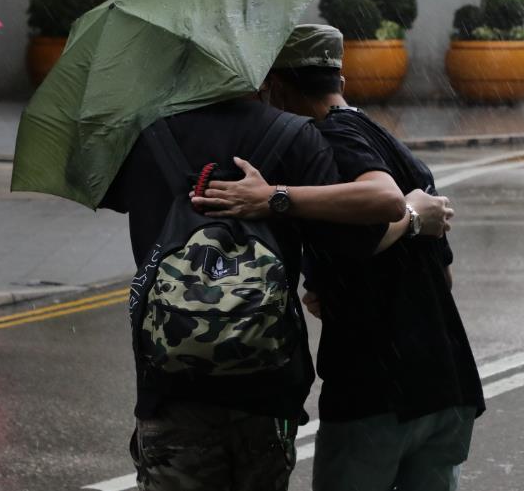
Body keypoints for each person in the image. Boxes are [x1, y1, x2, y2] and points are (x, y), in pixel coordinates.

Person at [99, 68, 449, 491]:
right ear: (261, 73)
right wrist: (411, 216)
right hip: (265, 384)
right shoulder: (294, 135)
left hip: (171, 387)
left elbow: (99, 184)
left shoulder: (145, 137)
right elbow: (360, 238)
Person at [195, 25, 485, 491]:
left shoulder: (326, 139)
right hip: (446, 382)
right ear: (341, 81)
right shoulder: (390, 143)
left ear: (277, 88)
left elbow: (382, 206)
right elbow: (440, 275)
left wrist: (274, 197)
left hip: (375, 388)